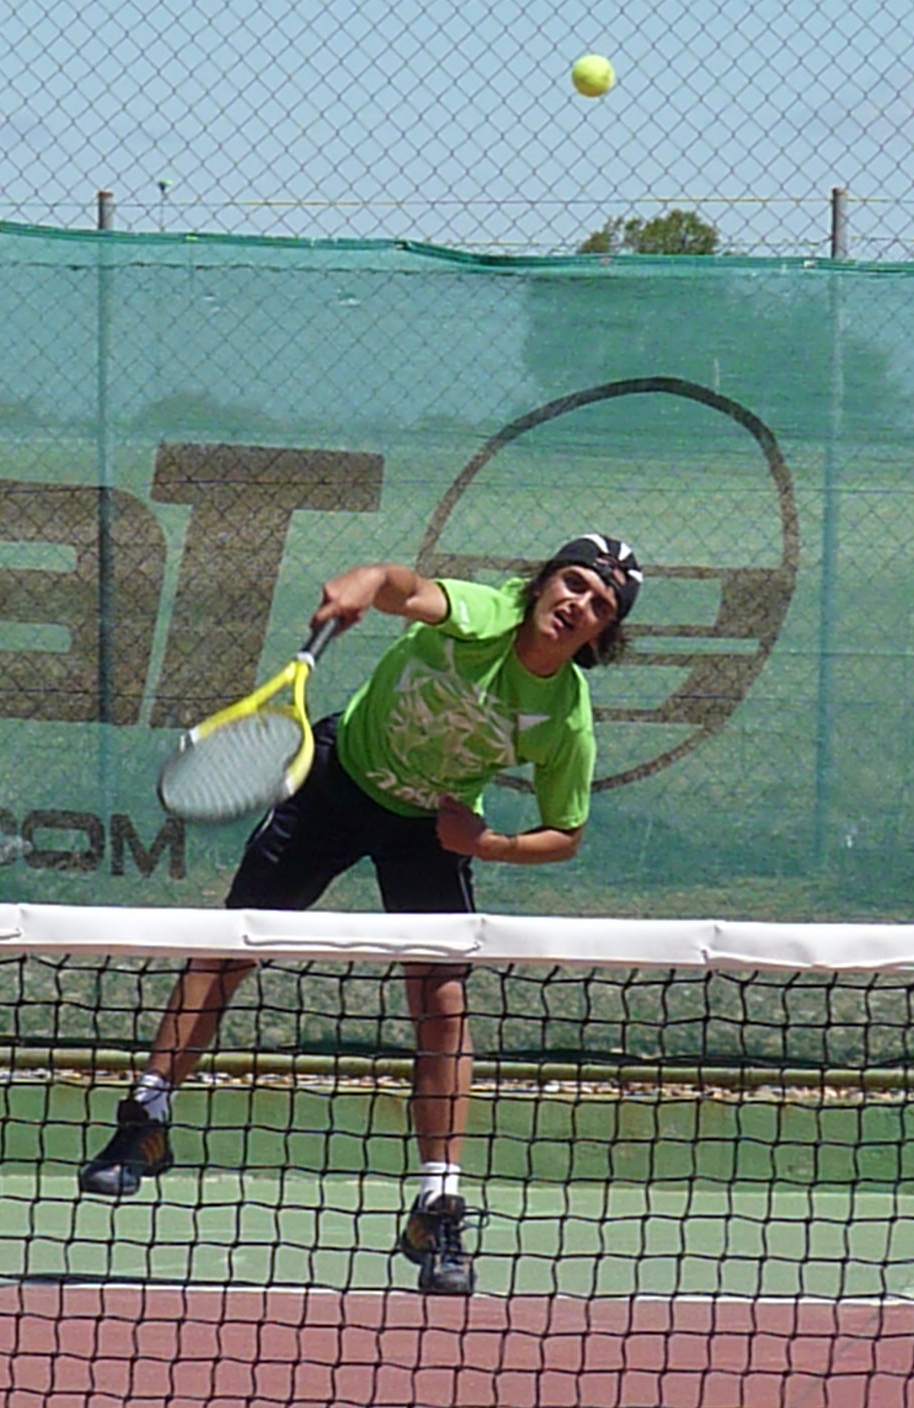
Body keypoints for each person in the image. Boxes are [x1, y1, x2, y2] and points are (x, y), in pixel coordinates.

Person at [77, 534, 642, 1297]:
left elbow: (565, 834)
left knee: (443, 1001)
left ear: (603, 634)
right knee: (229, 944)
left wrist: (487, 843)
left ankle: (437, 1208)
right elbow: (403, 588)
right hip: (333, 785)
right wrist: (364, 579)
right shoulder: (482, 613)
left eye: (600, 604)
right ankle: (144, 1122)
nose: (579, 604)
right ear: (541, 585)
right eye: (573, 583)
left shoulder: (565, 717)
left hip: (429, 827)